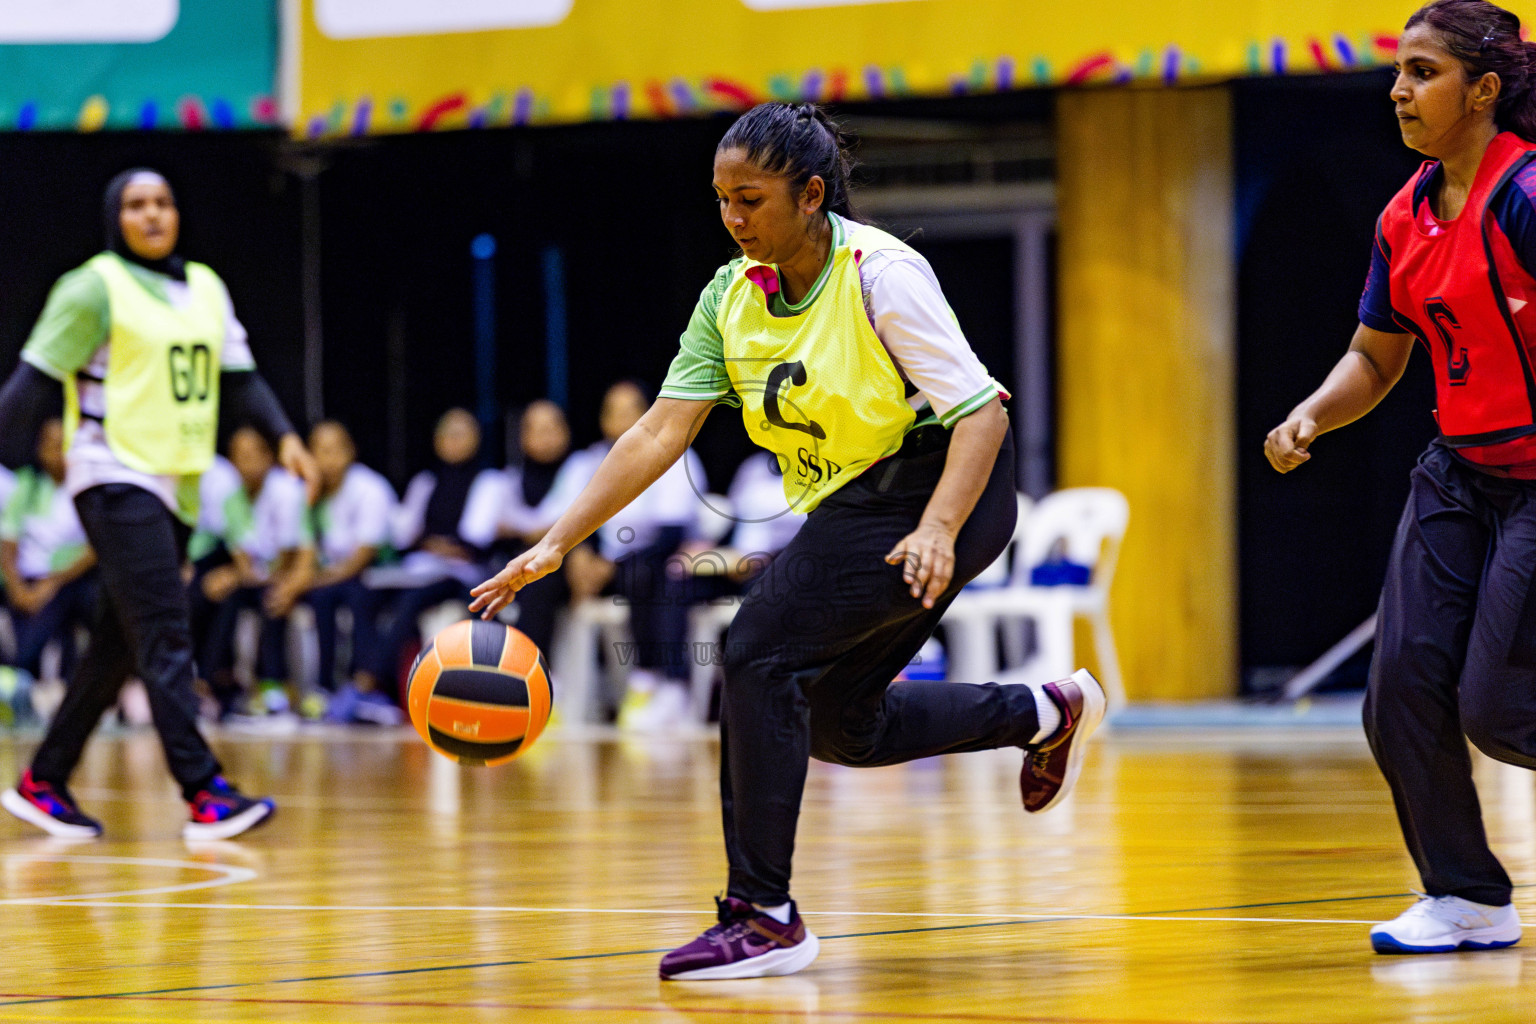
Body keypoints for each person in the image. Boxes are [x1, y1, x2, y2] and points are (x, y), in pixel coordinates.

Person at [473, 102, 1105, 979]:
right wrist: (553, 543)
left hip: (939, 488)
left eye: (751, 199)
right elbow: (661, 432)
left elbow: (981, 415)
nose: (732, 219)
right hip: (860, 506)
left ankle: (762, 914)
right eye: (722, 199)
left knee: (757, 650)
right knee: (843, 725)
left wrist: (938, 528)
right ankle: (1044, 711)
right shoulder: (729, 297)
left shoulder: (882, 272)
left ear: (811, 195)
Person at [1265, 0, 1536, 955]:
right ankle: (1466, 897)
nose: (1400, 90)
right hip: (1459, 474)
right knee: (1398, 694)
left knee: (1500, 706)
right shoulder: (1404, 214)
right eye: (1398, 71)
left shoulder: (1528, 199)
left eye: (1424, 72)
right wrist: (1311, 414)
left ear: (1485, 89)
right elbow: (1377, 360)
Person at [0, 168, 317, 840]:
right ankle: (204, 792)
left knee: (120, 643)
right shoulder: (91, 288)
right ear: (116, 216)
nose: (151, 215)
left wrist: (285, 435)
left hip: (177, 483)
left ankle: (44, 779)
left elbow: (243, 379)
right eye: (136, 205)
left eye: (163, 203)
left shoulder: (205, 286)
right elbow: (30, 386)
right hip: (111, 472)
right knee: (167, 629)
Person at [558, 380, 707, 730]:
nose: (622, 419)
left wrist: (608, 565)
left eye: (631, 410)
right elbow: (569, 519)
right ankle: (551, 683)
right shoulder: (586, 462)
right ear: (603, 420)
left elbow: (671, 533)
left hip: (655, 559)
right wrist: (581, 557)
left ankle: (658, 680)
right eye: (614, 411)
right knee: (544, 581)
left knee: (647, 572)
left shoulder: (675, 454)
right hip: (602, 567)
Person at [191, 425, 312, 720]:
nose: (245, 465)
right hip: (255, 578)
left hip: (293, 573)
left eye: (252, 455)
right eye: (238, 457)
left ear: (269, 457)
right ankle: (210, 684)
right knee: (209, 593)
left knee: (274, 597)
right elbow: (243, 558)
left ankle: (275, 689)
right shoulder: (231, 497)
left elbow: (289, 558)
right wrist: (234, 575)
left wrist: (240, 576)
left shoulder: (287, 491)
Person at [295, 420, 396, 712]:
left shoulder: (370, 488)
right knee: (320, 598)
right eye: (319, 451)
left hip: (378, 574)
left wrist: (311, 580)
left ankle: (365, 686)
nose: (327, 459)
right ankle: (323, 686)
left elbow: (362, 558)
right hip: (330, 578)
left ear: (350, 452)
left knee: (356, 595)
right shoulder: (309, 493)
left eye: (334, 450)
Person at [0, 418, 97, 687]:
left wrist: (51, 584)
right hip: (27, 580)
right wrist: (17, 587)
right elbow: (8, 542)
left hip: (67, 582)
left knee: (35, 643)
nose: (54, 453)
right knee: (21, 648)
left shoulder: (85, 491)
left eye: (61, 446)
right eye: (48, 445)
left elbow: (94, 550)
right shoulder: (27, 485)